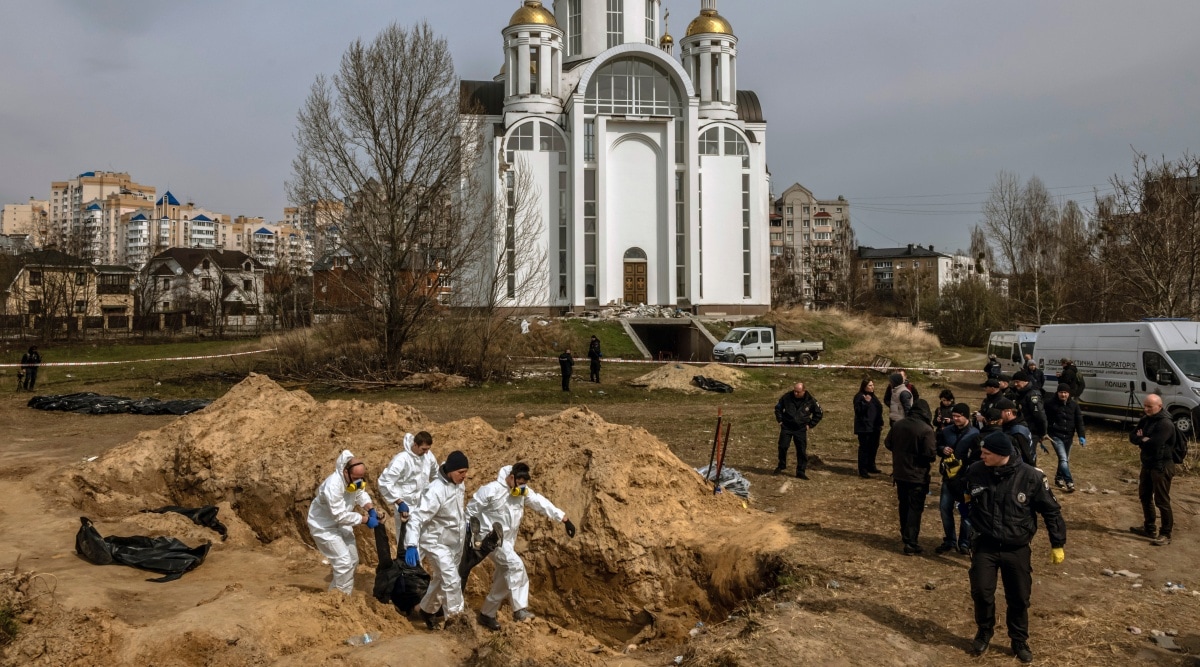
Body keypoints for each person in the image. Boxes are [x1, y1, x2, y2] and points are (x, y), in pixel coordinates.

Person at [962, 424, 1066, 663]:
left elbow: (1051, 511)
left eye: (987, 453)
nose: (982, 456)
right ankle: (984, 631)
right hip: (985, 546)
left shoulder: (1031, 477)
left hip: (1016, 548)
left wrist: (1057, 542)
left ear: (1001, 454)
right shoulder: (977, 470)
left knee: (1018, 597)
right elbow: (966, 493)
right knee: (981, 592)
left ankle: (1019, 640)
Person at [468, 463, 575, 630]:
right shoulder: (491, 490)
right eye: (520, 481)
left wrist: (564, 518)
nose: (523, 486)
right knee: (516, 566)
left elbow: (540, 502)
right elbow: (470, 511)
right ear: (511, 477)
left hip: (508, 542)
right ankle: (520, 610)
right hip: (491, 540)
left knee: (504, 579)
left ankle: (486, 614)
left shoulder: (522, 492)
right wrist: (469, 535)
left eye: (525, 482)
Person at [405, 450, 471, 629]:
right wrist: (411, 544)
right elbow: (417, 518)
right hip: (434, 541)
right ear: (450, 470)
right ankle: (456, 622)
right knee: (452, 579)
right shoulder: (435, 491)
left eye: (466, 472)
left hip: (453, 541)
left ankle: (426, 609)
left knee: (441, 579)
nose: (464, 476)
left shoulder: (459, 484)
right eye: (460, 472)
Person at [307, 450, 379, 595]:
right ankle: (340, 602)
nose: (358, 481)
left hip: (343, 524)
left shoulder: (353, 480)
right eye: (355, 477)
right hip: (324, 527)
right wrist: (364, 519)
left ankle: (335, 594)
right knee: (344, 563)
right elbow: (339, 515)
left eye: (361, 478)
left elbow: (359, 493)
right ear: (345, 472)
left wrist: (370, 509)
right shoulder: (333, 486)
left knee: (352, 560)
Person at [884, 399, 937, 555]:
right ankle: (911, 542)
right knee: (915, 509)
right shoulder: (926, 430)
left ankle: (905, 535)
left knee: (904, 505)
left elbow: (888, 443)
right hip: (917, 475)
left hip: (900, 473)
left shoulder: (898, 425)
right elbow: (930, 454)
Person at [378, 431, 437, 556]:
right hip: (406, 507)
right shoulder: (402, 460)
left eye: (428, 449)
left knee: (421, 542)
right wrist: (399, 502)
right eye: (423, 449)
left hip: (423, 505)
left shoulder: (428, 456)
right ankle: (406, 572)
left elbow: (435, 475)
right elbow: (385, 482)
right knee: (406, 542)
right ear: (415, 444)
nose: (426, 452)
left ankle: (416, 571)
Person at [1128, 394, 1175, 546]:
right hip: (1147, 464)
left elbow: (1155, 443)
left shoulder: (1166, 423)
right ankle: (1149, 528)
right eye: (1145, 405)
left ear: (1159, 407)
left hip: (1161, 466)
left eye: (1150, 406)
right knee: (1145, 495)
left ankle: (1166, 533)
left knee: (1161, 500)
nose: (1146, 409)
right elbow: (1132, 436)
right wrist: (1143, 439)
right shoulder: (1145, 419)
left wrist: (1143, 439)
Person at [936, 403, 981, 555]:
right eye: (953, 416)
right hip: (948, 477)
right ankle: (950, 540)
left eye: (958, 416)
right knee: (944, 508)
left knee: (966, 512)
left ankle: (964, 542)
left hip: (965, 480)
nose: (955, 419)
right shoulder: (946, 431)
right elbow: (938, 445)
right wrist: (942, 449)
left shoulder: (975, 434)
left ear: (966, 416)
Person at [774, 382, 823, 479]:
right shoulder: (787, 397)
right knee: (783, 446)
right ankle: (781, 465)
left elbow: (819, 413)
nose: (795, 393)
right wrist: (780, 421)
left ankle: (801, 471)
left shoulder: (810, 400)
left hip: (800, 428)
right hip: (787, 426)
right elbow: (778, 408)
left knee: (801, 450)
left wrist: (810, 425)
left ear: (803, 391)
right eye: (794, 391)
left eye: (798, 392)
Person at [1045, 384, 1086, 493]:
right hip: (1055, 435)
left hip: (1068, 436)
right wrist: (1043, 434)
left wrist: (1081, 435)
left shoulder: (1074, 405)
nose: (1063, 394)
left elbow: (1079, 421)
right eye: (1061, 392)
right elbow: (1044, 419)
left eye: (1065, 392)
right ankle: (1069, 482)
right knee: (1063, 458)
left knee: (1064, 459)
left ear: (1069, 394)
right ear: (1057, 393)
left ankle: (1059, 478)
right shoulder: (1050, 404)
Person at [852, 378, 884, 478]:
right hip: (864, 428)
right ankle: (863, 470)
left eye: (873, 385)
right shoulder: (859, 397)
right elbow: (858, 411)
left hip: (875, 427)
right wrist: (865, 403)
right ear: (864, 386)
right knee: (864, 448)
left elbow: (878, 409)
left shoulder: (873, 397)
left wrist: (880, 422)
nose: (872, 387)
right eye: (870, 385)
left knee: (874, 447)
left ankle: (871, 465)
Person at [1012, 370, 1047, 447]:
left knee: (1030, 454)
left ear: (1025, 381)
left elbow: (1040, 415)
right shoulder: (1020, 393)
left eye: (1017, 382)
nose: (1015, 384)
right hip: (1021, 428)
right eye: (1014, 382)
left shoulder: (1032, 395)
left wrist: (1043, 432)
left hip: (1032, 430)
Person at [996, 398, 1036, 466]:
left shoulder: (1017, 432)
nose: (997, 415)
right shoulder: (1017, 423)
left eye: (999, 412)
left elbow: (1026, 456)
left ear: (1008, 412)